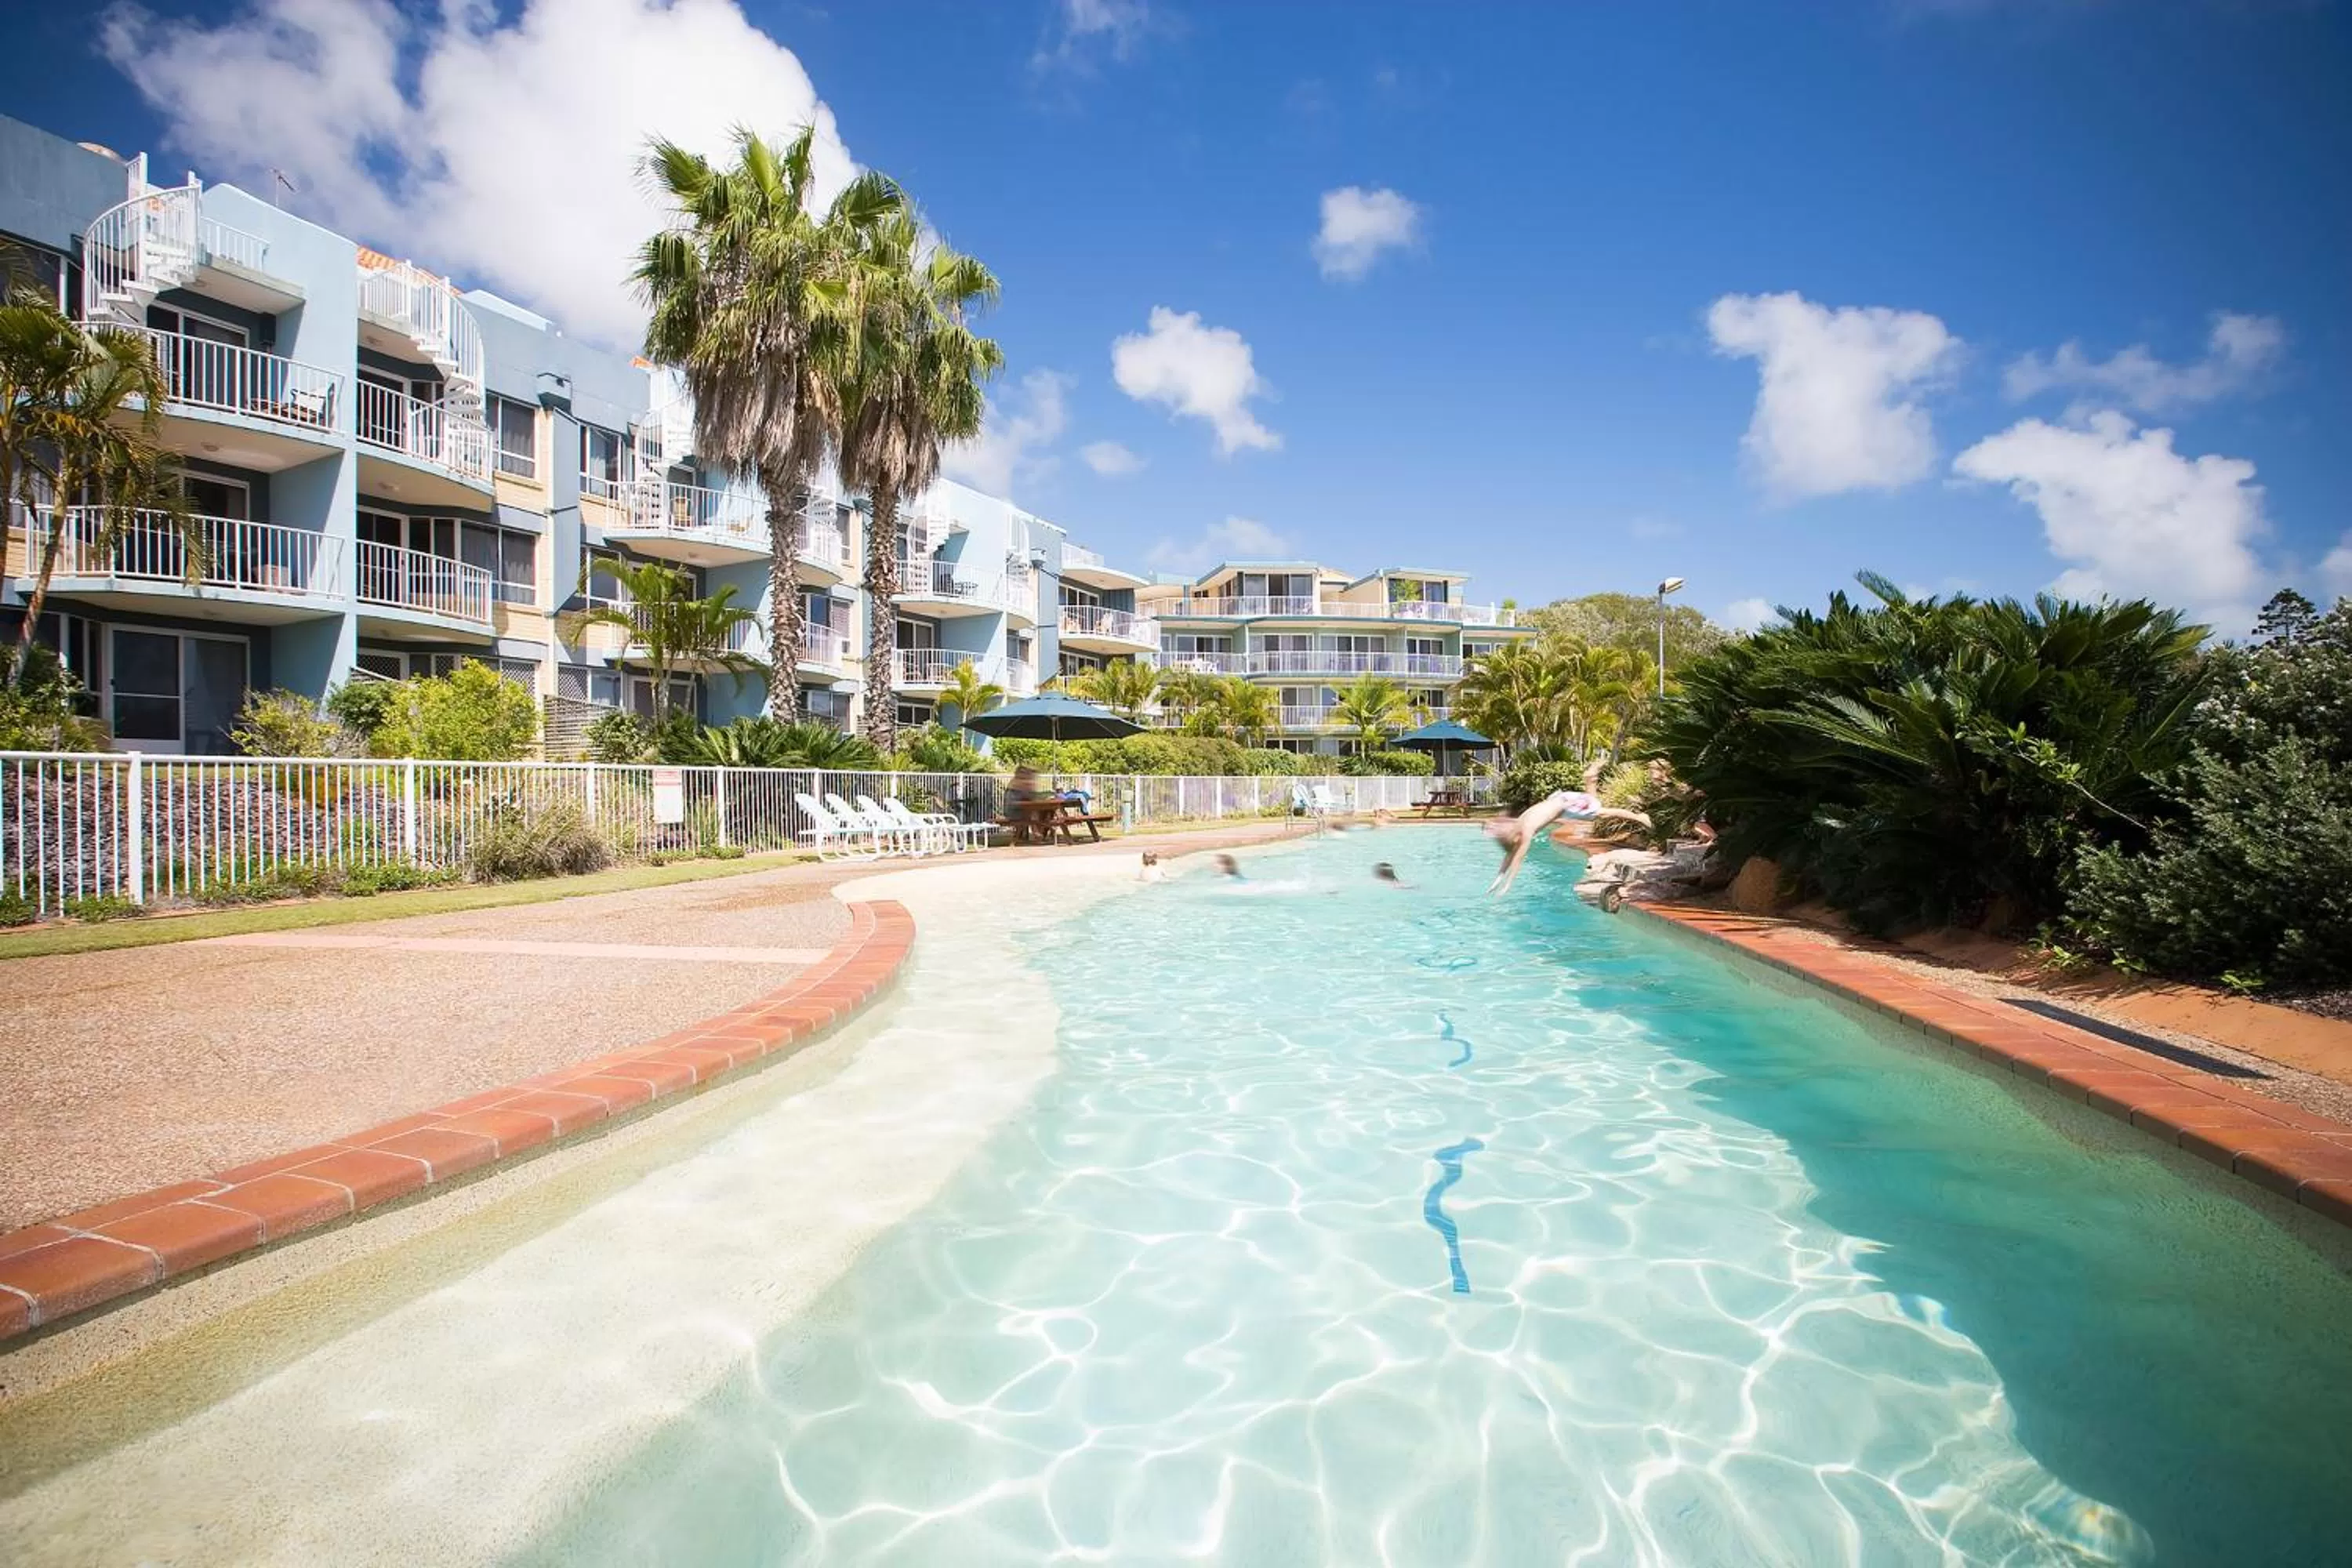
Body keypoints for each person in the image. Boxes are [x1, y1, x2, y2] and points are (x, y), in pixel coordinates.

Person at [1485, 789, 1650, 896]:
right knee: (1601, 814)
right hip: (1560, 799)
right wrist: (1497, 880)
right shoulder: (1519, 823)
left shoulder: (1526, 829)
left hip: (1567, 804)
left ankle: (1639, 817)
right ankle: (1592, 781)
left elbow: (1517, 859)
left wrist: (1507, 884)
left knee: (1603, 814)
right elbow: (1510, 855)